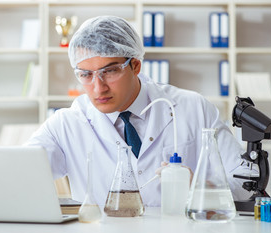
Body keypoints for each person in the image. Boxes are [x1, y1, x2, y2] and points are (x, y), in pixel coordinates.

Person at [25, 15, 254, 207]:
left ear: (135, 65)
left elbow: (246, 182)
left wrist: (200, 187)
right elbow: (17, 174)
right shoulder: (66, 124)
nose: (98, 87)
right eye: (86, 75)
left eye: (110, 71)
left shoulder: (193, 108)